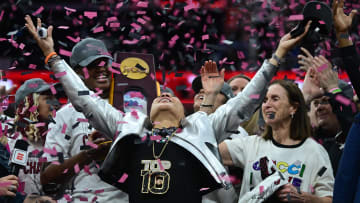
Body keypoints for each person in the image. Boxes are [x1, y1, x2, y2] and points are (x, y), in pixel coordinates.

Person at [24, 12, 311, 202]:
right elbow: (84, 99)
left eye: (173, 97)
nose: (166, 96)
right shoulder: (128, 127)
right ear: (145, 111)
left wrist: (277, 57)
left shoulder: (201, 127)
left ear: (185, 112)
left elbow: (244, 103)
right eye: (162, 96)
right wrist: (51, 55)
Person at [37, 35, 128, 201]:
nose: (101, 69)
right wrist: (88, 155)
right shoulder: (65, 115)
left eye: (104, 63)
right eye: (92, 65)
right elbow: (47, 179)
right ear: (77, 73)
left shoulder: (131, 108)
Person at [219, 80, 334, 202]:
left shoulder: (314, 151)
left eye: (275, 99)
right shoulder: (251, 144)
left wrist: (305, 198)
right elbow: (205, 152)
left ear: (293, 108)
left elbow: (329, 199)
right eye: (264, 100)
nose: (267, 105)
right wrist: (211, 96)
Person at [7, 78, 59, 196]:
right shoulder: (11, 142)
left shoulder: (59, 139)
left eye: (53, 97)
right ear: (30, 104)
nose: (55, 103)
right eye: (47, 98)